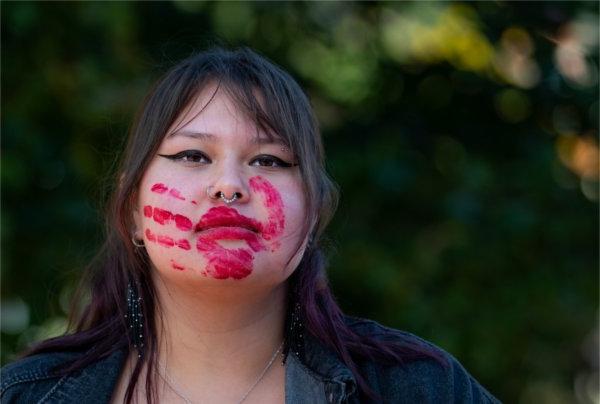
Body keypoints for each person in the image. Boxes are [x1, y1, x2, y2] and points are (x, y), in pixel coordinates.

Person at [1, 47, 499, 404]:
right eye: (193, 155)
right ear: (132, 206)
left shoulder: (417, 386)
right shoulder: (29, 393)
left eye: (269, 161)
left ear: (315, 213)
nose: (229, 185)